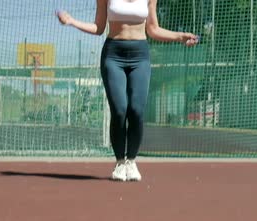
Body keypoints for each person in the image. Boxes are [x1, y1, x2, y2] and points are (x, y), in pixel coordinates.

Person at [56, 0, 198, 181]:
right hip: (113, 55)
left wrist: (180, 37)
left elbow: (153, 29)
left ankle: (131, 161)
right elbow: (98, 27)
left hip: (140, 56)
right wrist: (72, 21)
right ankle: (120, 163)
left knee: (137, 110)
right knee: (119, 110)